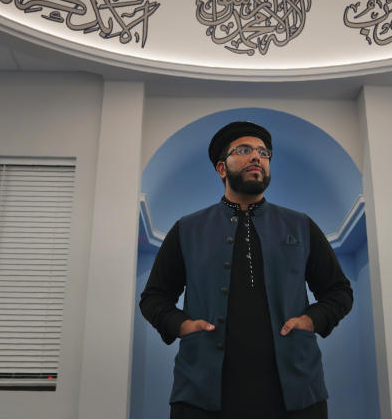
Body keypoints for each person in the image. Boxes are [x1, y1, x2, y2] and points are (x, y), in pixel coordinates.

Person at [139, 121, 353, 419]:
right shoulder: (187, 229)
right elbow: (154, 298)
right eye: (244, 150)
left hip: (296, 392)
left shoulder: (301, 226)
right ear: (221, 168)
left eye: (264, 152)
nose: (257, 157)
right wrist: (182, 326)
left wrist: (310, 320)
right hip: (202, 394)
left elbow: (339, 292)